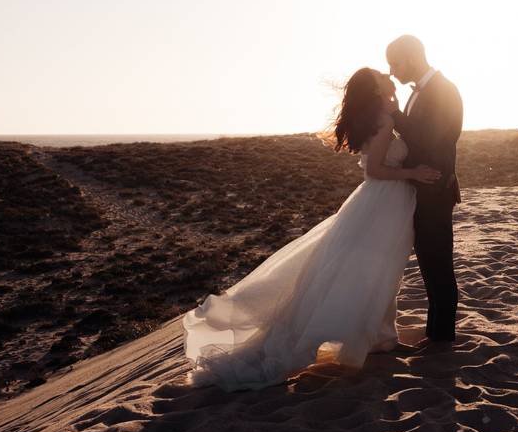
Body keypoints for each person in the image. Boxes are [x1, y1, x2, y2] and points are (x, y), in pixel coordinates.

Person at [182, 67, 440, 392]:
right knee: (378, 269)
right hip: (384, 203)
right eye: (380, 76)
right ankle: (378, 339)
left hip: (381, 202)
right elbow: (374, 170)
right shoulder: (384, 120)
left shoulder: (378, 115)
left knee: (377, 269)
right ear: (374, 88)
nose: (388, 75)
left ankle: (380, 337)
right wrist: (413, 171)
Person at [385, 35, 463, 343]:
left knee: (439, 264)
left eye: (395, 63)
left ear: (413, 59)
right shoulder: (421, 91)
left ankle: (442, 339)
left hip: (436, 190)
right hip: (423, 189)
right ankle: (435, 334)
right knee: (430, 265)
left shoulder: (444, 90)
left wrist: (394, 115)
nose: (391, 71)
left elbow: (430, 139)